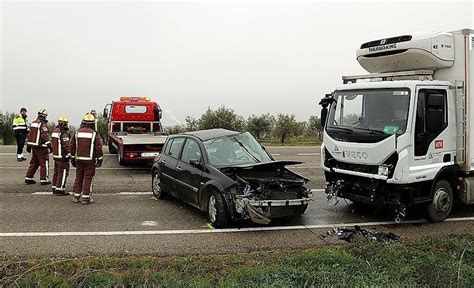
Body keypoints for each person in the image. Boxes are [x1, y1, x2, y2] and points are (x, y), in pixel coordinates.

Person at [71, 113, 103, 204]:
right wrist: (100, 159)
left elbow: (72, 146)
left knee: (78, 177)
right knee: (88, 178)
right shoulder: (94, 134)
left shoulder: (77, 132)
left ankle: (76, 196)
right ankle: (85, 197)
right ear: (93, 123)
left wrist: (72, 158)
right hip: (90, 160)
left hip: (79, 159)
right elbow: (98, 148)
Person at [25, 108, 51, 185]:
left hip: (34, 146)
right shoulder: (42, 124)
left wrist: (28, 145)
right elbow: (44, 135)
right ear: (44, 116)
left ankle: (28, 177)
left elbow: (29, 135)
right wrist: (49, 145)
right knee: (44, 162)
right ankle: (44, 179)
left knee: (34, 162)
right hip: (41, 147)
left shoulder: (33, 123)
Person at [51, 115, 71, 196]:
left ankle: (54, 186)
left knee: (56, 172)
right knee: (63, 172)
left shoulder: (55, 131)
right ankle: (60, 189)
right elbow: (66, 145)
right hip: (62, 156)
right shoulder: (63, 133)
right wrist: (70, 154)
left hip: (56, 156)